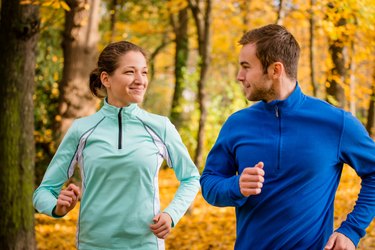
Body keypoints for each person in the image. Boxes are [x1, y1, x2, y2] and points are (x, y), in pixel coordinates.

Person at [200, 24, 375, 250]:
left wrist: (351, 230)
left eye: (246, 67)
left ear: (275, 70)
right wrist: (236, 186)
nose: (239, 76)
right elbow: (209, 183)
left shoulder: (336, 123)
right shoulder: (237, 124)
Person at [33, 41, 200, 250]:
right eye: (130, 72)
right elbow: (43, 192)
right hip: (92, 245)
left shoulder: (161, 127)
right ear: (106, 79)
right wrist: (57, 208)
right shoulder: (81, 130)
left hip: (145, 244)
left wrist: (171, 214)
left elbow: (191, 178)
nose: (140, 80)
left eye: (144, 72)